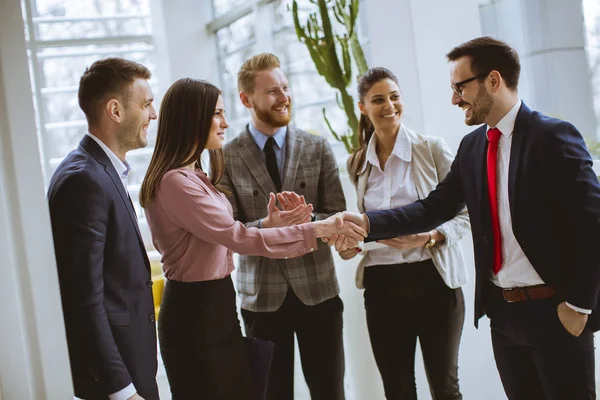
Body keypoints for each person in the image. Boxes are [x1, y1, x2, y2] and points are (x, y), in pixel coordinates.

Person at [340, 37, 600, 399]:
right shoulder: (473, 146)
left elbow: (592, 226)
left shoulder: (553, 137)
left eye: (460, 87)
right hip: (504, 317)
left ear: (493, 81)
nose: (454, 99)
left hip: (555, 311)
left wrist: (579, 305)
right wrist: (367, 224)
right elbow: (433, 208)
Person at [139, 78, 364, 400]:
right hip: (195, 311)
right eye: (216, 114)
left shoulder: (195, 174)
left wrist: (270, 224)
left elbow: (219, 233)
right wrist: (317, 229)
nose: (225, 123)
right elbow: (237, 237)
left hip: (216, 303)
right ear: (193, 117)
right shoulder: (176, 182)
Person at [219, 52, 347, 400]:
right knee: (271, 395)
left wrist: (307, 223)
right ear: (246, 99)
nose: (284, 97)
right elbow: (225, 230)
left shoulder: (318, 147)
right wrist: (268, 224)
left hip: (318, 291)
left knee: (330, 392)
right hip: (262, 298)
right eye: (272, 91)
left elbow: (336, 214)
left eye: (286, 87)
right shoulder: (225, 157)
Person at [338, 67, 470, 400]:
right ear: (363, 107)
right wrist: (350, 244)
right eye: (378, 99)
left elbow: (466, 213)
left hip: (434, 281)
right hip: (382, 286)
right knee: (396, 390)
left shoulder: (431, 149)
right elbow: (363, 227)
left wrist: (429, 237)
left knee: (445, 386)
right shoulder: (356, 164)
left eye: (394, 97)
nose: (389, 106)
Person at [47, 58, 159, 400]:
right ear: (115, 110)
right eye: (146, 104)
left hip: (132, 361)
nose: (153, 115)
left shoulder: (99, 170)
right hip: (115, 380)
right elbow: (83, 297)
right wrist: (122, 390)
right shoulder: (84, 180)